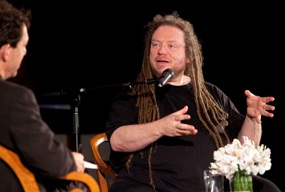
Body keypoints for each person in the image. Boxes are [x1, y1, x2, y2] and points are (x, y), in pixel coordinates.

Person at [105, 12, 281, 192]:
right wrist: (161, 127)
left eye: (171, 45)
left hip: (212, 186)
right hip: (151, 186)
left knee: (268, 189)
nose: (161, 51)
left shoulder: (210, 94)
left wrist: (253, 118)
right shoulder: (136, 92)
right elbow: (118, 141)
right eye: (155, 44)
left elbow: (244, 151)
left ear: (189, 55)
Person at [0, 0, 88, 192]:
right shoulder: (14, 98)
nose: (24, 53)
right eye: (23, 46)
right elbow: (50, 161)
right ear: (6, 52)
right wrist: (71, 160)